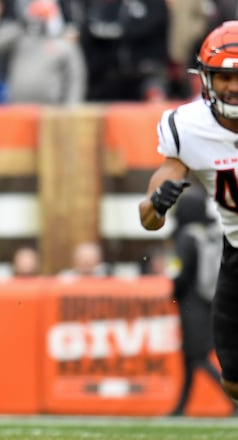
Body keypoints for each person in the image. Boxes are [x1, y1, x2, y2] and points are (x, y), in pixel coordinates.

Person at [138, 20, 238, 410]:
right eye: (221, 76)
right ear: (205, 78)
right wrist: (157, 203)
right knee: (232, 381)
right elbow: (149, 216)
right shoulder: (189, 127)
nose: (231, 86)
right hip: (235, 251)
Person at [166, 185, 226, 416]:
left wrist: (173, 292)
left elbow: (180, 273)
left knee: (198, 356)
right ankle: (180, 407)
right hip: (210, 299)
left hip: (191, 302)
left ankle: (233, 399)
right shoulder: (209, 232)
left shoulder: (186, 235)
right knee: (190, 357)